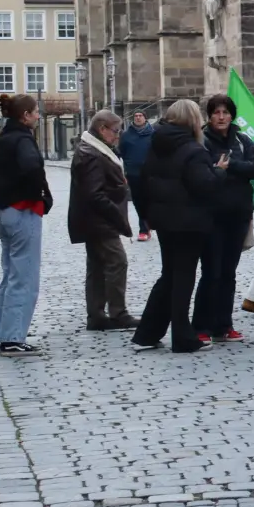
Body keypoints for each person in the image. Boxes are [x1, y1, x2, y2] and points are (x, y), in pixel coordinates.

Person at [132, 100, 222, 354]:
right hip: (189, 222)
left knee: (169, 275)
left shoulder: (156, 145)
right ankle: (182, 336)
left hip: (164, 220)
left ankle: (148, 332)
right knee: (182, 278)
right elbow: (204, 185)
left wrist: (147, 215)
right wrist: (220, 173)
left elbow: (140, 182)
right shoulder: (193, 150)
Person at [0, 94, 52, 357]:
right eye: (35, 112)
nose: (38, 116)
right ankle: (12, 339)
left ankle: (7, 334)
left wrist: (2, 193)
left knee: (10, 276)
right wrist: (40, 196)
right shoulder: (23, 140)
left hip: (6, 213)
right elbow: (33, 170)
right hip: (24, 212)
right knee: (24, 276)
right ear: (25, 116)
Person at [194, 95, 254, 344]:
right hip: (211, 216)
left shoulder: (242, 140)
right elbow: (204, 171)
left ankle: (223, 324)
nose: (221, 117)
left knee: (229, 273)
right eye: (216, 112)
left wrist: (230, 167)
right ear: (209, 116)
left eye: (225, 112)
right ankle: (200, 325)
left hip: (238, 214)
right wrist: (223, 170)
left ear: (232, 115)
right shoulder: (201, 141)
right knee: (211, 272)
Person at [69, 109, 138, 332]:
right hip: (100, 220)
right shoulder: (91, 153)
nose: (117, 136)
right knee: (117, 262)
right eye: (115, 131)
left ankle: (97, 315)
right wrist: (118, 218)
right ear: (102, 129)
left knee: (97, 266)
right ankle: (117, 313)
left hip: (96, 220)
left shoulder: (95, 149)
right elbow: (94, 194)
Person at [119, 110, 155, 241]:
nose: (138, 118)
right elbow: (120, 152)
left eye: (141, 116)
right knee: (138, 201)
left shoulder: (153, 134)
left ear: (145, 118)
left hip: (150, 173)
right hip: (133, 173)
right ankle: (144, 228)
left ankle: (147, 224)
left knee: (149, 200)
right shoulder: (126, 135)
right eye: (136, 116)